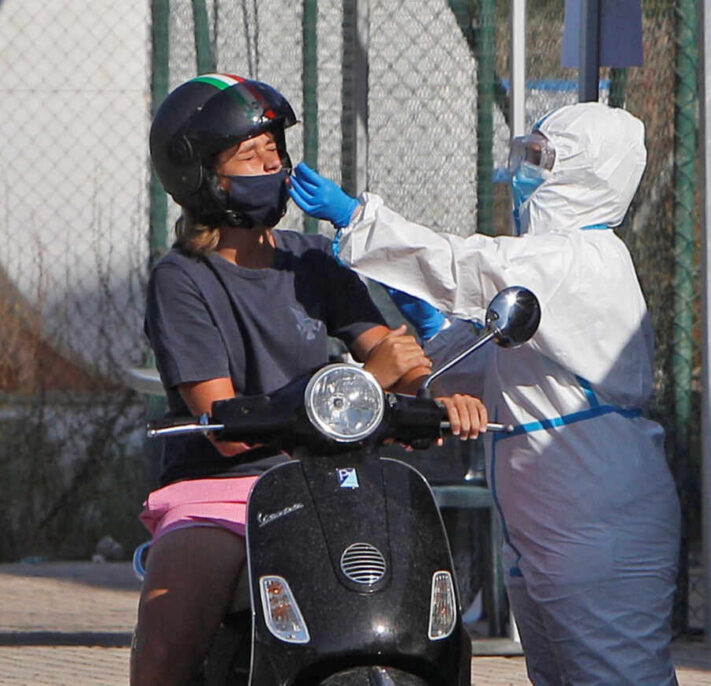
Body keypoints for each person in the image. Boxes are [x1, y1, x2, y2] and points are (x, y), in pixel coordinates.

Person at [289, 101, 681, 685]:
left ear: (587, 172)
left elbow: (470, 264)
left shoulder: (579, 259)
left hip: (596, 517)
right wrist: (434, 331)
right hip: (550, 515)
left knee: (617, 675)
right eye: (527, 155)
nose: (527, 173)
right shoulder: (554, 267)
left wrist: (358, 219)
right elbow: (490, 372)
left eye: (543, 160)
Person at [133, 72, 487, 686]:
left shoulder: (314, 259)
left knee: (435, 628)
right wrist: (366, 378)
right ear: (200, 176)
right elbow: (222, 424)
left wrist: (439, 399)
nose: (273, 165)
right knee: (168, 644)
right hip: (222, 490)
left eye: (276, 149)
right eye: (251, 154)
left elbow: (395, 360)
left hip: (337, 480)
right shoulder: (182, 279)